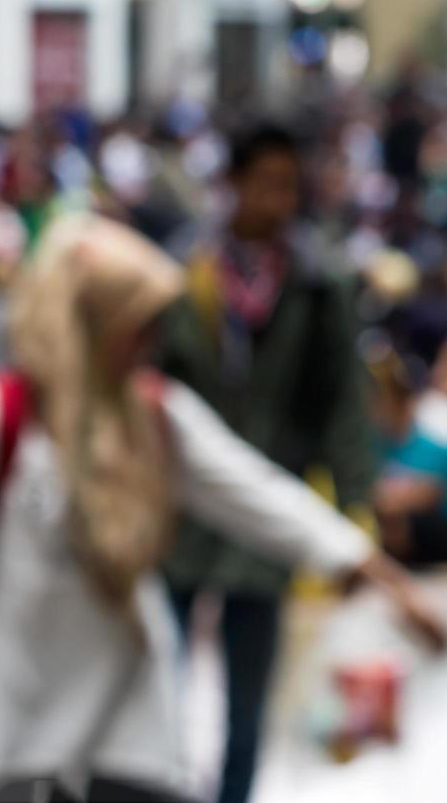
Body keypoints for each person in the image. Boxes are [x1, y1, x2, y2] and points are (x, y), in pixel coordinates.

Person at [0, 216, 446, 803]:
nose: (149, 345)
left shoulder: (155, 415)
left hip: (131, 732)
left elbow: (258, 495)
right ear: (88, 322)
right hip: (14, 730)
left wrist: (382, 577)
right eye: (134, 326)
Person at [158, 123, 377, 803]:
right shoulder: (180, 272)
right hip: (181, 505)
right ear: (231, 185)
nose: (278, 201)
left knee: (248, 694)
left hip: (268, 507)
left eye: (289, 186)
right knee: (158, 677)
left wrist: (353, 507)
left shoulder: (319, 281)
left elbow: (345, 398)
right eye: (264, 184)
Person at [368, 344, 447, 566]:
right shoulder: (381, 438)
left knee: (393, 522)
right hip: (426, 522)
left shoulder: (438, 426)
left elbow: (428, 492)